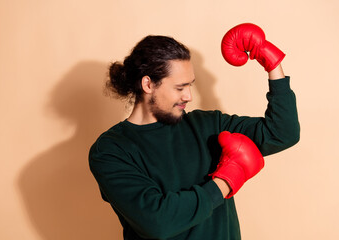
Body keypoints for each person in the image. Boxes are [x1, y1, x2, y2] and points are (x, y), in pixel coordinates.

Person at [89, 23, 300, 240]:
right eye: (180, 88)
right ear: (148, 85)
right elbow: (158, 222)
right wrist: (227, 180)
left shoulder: (207, 125)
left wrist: (272, 63)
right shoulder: (111, 150)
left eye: (190, 85)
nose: (189, 96)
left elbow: (281, 133)